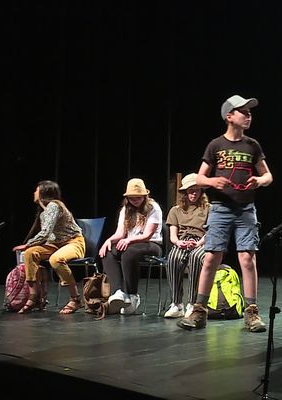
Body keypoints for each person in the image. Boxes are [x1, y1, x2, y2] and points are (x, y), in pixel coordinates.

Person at [177, 94, 273, 332]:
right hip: (220, 209)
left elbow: (268, 175)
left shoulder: (252, 145)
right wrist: (212, 182)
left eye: (250, 113)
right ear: (229, 116)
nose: (249, 116)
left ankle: (251, 313)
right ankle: (199, 311)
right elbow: (199, 177)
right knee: (211, 258)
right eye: (244, 112)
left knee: (247, 259)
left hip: (245, 210)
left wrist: (259, 182)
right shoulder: (216, 145)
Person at [12, 180, 86, 314]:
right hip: (54, 244)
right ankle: (34, 296)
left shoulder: (54, 205)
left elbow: (45, 233)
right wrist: (29, 247)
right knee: (30, 253)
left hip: (73, 242)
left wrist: (27, 243)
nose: (34, 192)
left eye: (36, 190)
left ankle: (75, 298)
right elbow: (48, 236)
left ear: (43, 192)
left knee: (55, 259)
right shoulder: (43, 212)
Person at [99, 178, 163, 315]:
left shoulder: (153, 208)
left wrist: (129, 241)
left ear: (144, 196)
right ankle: (118, 292)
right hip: (130, 243)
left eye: (138, 197)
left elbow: (147, 235)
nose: (135, 200)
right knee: (107, 251)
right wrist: (108, 241)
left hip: (152, 244)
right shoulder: (125, 210)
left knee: (128, 252)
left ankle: (133, 296)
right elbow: (120, 233)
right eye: (132, 198)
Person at [163, 173, 209, 318]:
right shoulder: (175, 210)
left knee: (196, 258)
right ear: (185, 192)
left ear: (201, 191)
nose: (194, 193)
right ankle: (177, 304)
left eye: (197, 189)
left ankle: (192, 303)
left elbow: (212, 231)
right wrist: (178, 242)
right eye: (190, 190)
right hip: (183, 242)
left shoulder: (209, 209)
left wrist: (199, 243)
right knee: (173, 258)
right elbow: (172, 235)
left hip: (202, 241)